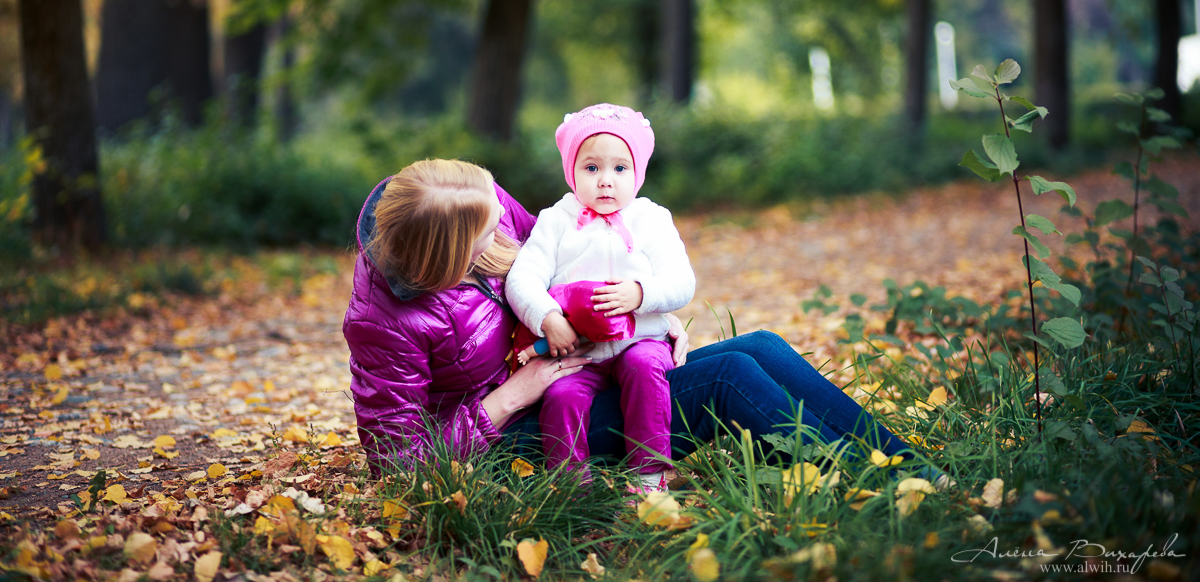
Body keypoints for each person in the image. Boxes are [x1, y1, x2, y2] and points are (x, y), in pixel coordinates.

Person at [342, 158, 915, 478]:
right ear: (443, 251)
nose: (504, 229)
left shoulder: (471, 201)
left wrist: (644, 312)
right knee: (727, 379)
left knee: (760, 347)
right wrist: (514, 395)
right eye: (487, 232)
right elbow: (397, 464)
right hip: (519, 436)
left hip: (579, 367)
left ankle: (912, 470)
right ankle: (886, 486)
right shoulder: (384, 320)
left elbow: (558, 265)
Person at [504, 104, 694, 491]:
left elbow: (681, 280)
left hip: (640, 339)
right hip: (579, 353)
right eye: (591, 168)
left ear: (638, 172)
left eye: (620, 169)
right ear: (571, 170)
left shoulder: (652, 219)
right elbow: (521, 278)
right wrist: (547, 318)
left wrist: (641, 294)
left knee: (646, 370)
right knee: (561, 396)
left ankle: (649, 474)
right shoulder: (556, 220)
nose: (606, 181)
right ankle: (572, 486)